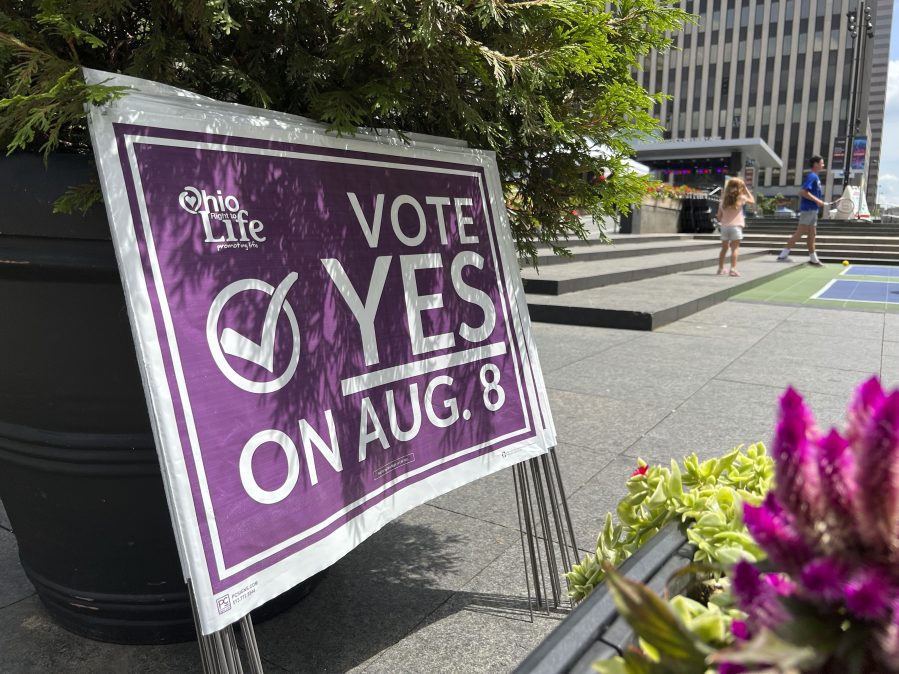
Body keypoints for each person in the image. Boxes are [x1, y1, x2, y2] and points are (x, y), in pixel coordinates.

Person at [776, 155, 827, 265]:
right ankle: (783, 255)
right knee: (801, 232)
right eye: (822, 163)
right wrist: (817, 201)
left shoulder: (815, 177)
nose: (823, 165)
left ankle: (813, 259)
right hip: (808, 209)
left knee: (812, 234)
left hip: (813, 210)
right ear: (815, 164)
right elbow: (803, 192)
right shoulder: (812, 176)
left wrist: (817, 202)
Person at [716, 177, 755, 277]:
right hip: (736, 227)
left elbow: (719, 216)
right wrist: (746, 189)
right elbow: (752, 201)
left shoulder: (723, 200)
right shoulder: (741, 197)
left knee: (724, 248)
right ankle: (732, 269)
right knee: (735, 248)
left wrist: (724, 220)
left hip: (724, 227)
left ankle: (720, 269)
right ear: (740, 187)